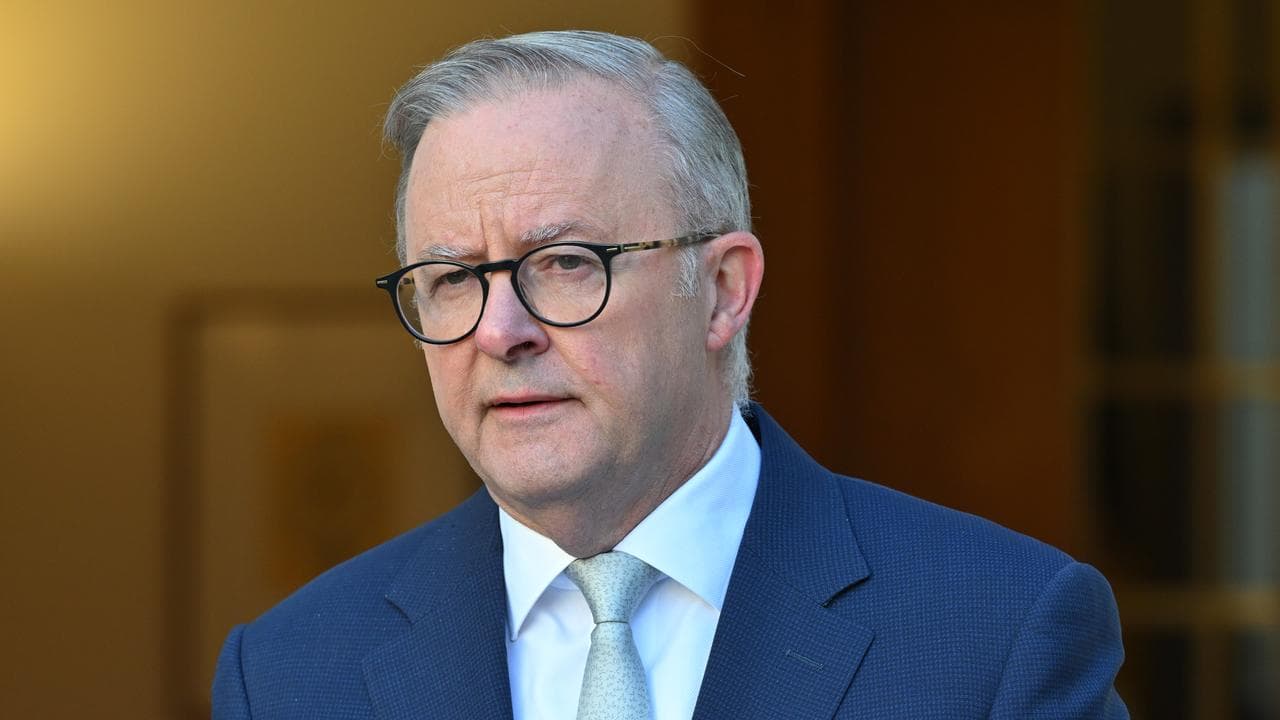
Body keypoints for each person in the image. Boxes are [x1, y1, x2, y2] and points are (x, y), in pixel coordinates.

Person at [212, 30, 1128, 719]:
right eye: (452, 279)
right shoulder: (289, 674)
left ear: (722, 291)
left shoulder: (998, 635)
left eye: (565, 263)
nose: (499, 331)